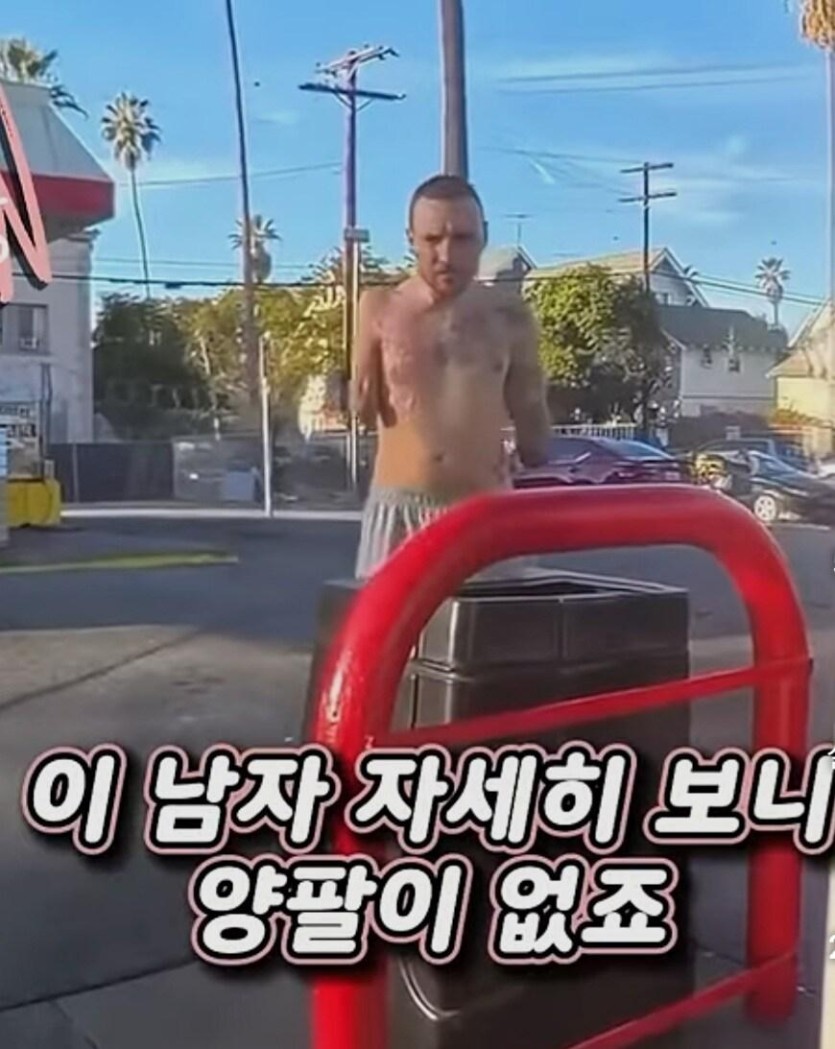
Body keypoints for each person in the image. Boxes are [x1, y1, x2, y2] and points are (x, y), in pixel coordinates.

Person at [352, 173, 552, 580]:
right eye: (432, 239)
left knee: (491, 622)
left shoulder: (509, 315)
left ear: (483, 237)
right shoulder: (379, 307)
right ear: (411, 239)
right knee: (390, 623)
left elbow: (534, 429)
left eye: (462, 238)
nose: (446, 254)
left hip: (483, 512)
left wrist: (524, 442)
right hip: (400, 509)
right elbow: (360, 406)